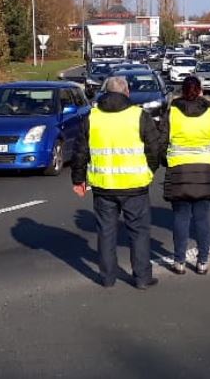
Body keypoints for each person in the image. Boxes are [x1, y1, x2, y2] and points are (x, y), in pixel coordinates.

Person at [71, 76, 162, 290]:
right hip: (135, 185)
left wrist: (78, 179)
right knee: (139, 232)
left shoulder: (92, 117)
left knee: (106, 232)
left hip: (104, 186)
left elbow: (80, 152)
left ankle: (108, 277)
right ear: (127, 92)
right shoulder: (139, 116)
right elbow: (154, 147)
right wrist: (150, 170)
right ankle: (141, 278)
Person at [158, 76, 210, 276]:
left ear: (182, 91)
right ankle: (202, 261)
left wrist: (166, 159)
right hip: (205, 169)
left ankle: (179, 261)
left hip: (178, 168)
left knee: (180, 217)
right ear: (200, 91)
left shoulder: (172, 113)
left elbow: (161, 141)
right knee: (202, 218)